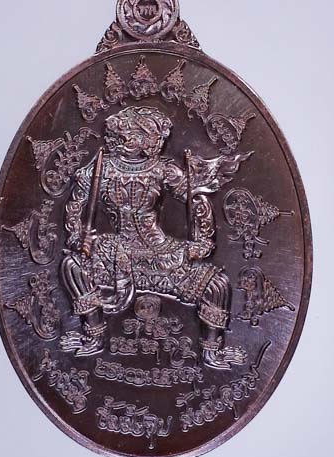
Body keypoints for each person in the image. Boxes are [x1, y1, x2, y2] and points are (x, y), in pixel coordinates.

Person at [60, 106, 249, 369]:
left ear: (150, 139)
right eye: (122, 134)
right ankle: (93, 336)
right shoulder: (101, 168)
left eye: (133, 134)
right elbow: (75, 207)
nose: (125, 139)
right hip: (115, 255)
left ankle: (212, 353)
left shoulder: (162, 169)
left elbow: (195, 200)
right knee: (71, 265)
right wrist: (78, 238)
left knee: (217, 285)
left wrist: (203, 242)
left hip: (161, 255)